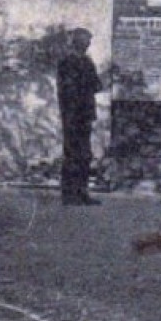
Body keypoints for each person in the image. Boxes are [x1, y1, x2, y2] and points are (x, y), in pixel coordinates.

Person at [56, 28, 102, 206]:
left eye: (88, 41)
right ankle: (69, 194)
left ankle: (82, 192)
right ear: (77, 42)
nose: (87, 44)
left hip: (85, 114)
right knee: (72, 154)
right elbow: (69, 89)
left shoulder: (87, 62)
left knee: (84, 154)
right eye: (85, 41)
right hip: (72, 114)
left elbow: (96, 85)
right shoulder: (67, 62)